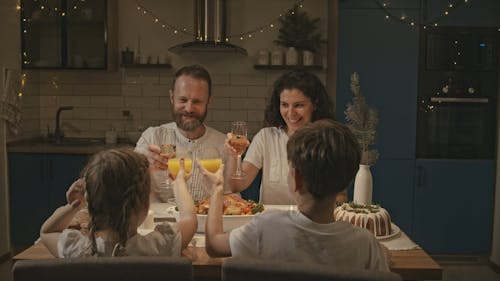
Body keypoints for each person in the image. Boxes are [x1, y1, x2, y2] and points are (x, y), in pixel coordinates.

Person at [201, 119, 389, 271]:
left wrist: (217, 190)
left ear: (296, 179)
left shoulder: (266, 227)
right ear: (346, 181)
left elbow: (214, 245)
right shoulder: (366, 246)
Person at [40, 148, 197, 257]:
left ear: (91, 204)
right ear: (145, 205)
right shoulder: (159, 247)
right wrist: (179, 182)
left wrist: (74, 206)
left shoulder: (76, 249)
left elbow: (47, 231)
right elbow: (190, 220)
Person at [225, 70, 335, 204]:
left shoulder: (327, 139)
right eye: (284, 105)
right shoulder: (266, 137)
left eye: (298, 105)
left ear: (315, 104)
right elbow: (236, 186)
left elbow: (339, 196)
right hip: (270, 221)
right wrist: (233, 156)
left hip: (310, 222)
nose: (290, 113)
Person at [135, 64, 226, 202]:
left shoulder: (223, 144)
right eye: (183, 100)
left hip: (206, 220)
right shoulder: (152, 137)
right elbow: (129, 186)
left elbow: (231, 196)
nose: (189, 109)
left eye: (197, 101)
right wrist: (143, 168)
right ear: (172, 97)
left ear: (209, 102)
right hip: (162, 222)